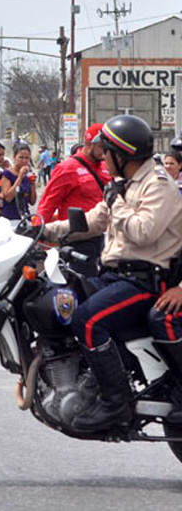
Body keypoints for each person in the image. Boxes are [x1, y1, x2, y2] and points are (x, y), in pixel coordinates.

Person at [42, 115, 182, 431]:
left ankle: (115, 402)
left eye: (107, 151)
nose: (103, 157)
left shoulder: (157, 186)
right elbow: (89, 222)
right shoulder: (123, 186)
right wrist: (43, 230)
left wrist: (116, 202)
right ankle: (89, 379)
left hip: (144, 281)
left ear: (123, 154)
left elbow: (143, 232)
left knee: (87, 320)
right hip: (116, 275)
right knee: (65, 301)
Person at [37, 123, 111, 276]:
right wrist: (38, 234)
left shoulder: (106, 166)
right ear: (91, 144)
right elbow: (48, 204)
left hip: (103, 237)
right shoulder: (67, 168)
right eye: (103, 146)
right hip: (76, 239)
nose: (106, 151)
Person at [0, 143, 37, 221]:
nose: (24, 160)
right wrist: (20, 177)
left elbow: (32, 201)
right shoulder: (7, 174)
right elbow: (8, 198)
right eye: (21, 157)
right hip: (10, 218)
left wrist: (33, 184)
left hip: (25, 217)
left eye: (27, 158)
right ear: (14, 157)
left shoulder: (28, 175)